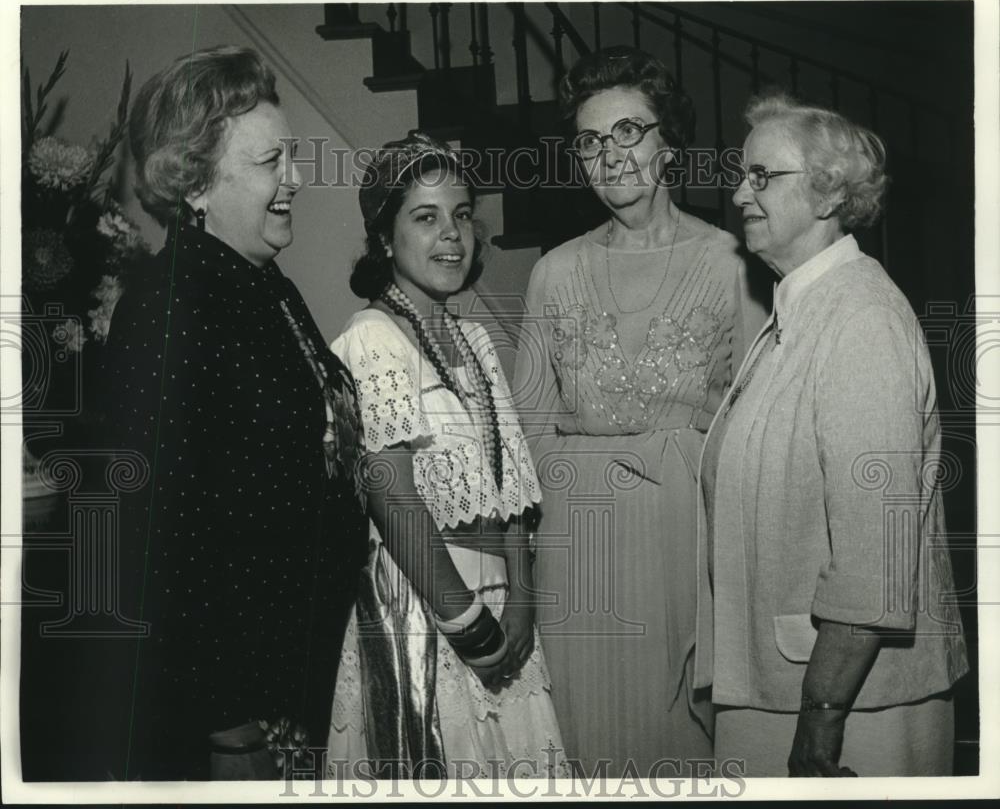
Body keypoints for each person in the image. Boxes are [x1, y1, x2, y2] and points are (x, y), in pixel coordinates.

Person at [86, 45, 368, 779]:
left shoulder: (265, 283)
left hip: (302, 674)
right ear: (197, 182)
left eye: (292, 158)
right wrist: (225, 719)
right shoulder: (166, 307)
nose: (296, 180)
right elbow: (151, 532)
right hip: (237, 710)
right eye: (272, 162)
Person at [510, 46, 767, 776]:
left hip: (689, 548)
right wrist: (590, 464)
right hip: (579, 554)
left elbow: (752, 426)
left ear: (668, 141)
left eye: (629, 131)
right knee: (589, 749)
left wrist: (673, 456)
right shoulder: (553, 271)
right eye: (591, 140)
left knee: (683, 752)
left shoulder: (732, 262)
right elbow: (528, 425)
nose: (610, 154)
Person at [696, 93, 969, 776]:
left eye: (762, 176)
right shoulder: (801, 311)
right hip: (785, 689)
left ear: (827, 194)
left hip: (848, 707)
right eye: (741, 174)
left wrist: (820, 720)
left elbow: (874, 556)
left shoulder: (861, 320)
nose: (738, 194)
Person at [325, 132, 569, 780]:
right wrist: (471, 625)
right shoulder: (371, 338)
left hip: (499, 605)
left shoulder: (475, 339)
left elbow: (513, 487)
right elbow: (392, 494)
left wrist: (521, 598)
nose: (452, 234)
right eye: (426, 217)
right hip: (428, 611)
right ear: (384, 238)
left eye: (462, 215)